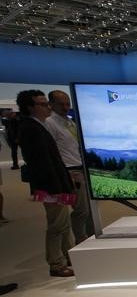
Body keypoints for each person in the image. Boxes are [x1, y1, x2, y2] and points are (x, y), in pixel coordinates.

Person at [16, 90, 76, 278]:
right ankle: (56, 264)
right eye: (42, 104)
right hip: (51, 187)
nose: (47, 107)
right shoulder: (31, 129)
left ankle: (68, 257)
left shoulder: (37, 126)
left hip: (56, 185)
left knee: (63, 222)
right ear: (30, 107)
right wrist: (57, 190)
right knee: (57, 225)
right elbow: (42, 164)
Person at [46, 90, 93, 243]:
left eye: (67, 104)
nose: (65, 107)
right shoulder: (50, 124)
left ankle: (86, 238)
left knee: (85, 209)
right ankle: (81, 240)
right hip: (69, 171)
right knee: (79, 211)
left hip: (79, 168)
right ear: (51, 104)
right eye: (61, 104)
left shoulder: (70, 123)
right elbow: (50, 151)